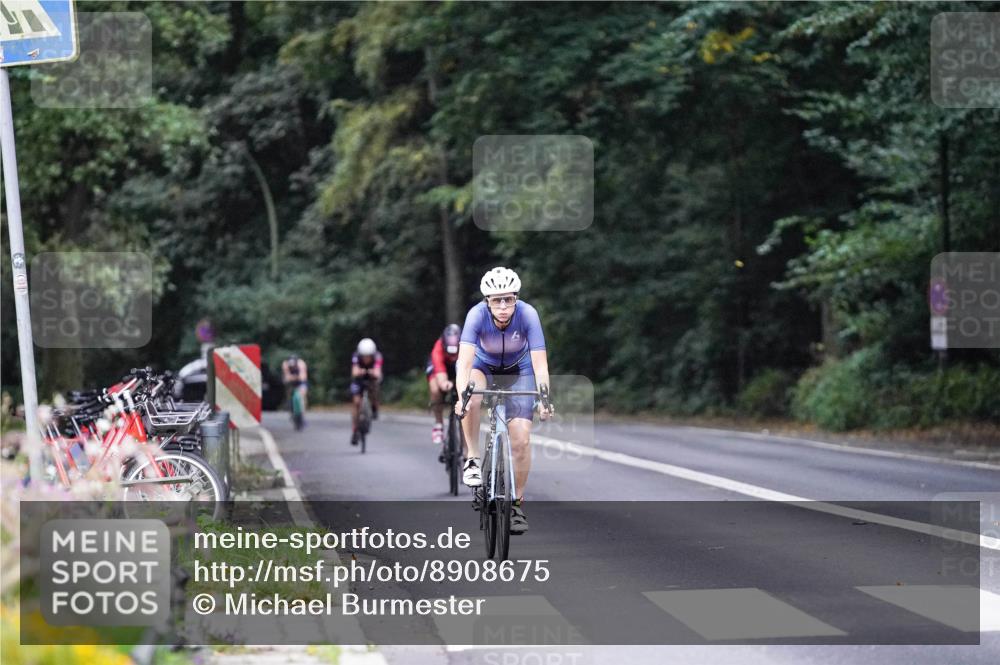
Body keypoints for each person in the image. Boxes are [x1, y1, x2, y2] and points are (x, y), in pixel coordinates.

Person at [454, 267, 554, 535]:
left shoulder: (528, 315)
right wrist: (461, 396)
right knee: (472, 398)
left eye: (508, 299)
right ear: (487, 301)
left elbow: (539, 365)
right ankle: (473, 458)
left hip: (518, 371)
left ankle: (516, 504)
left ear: (516, 298)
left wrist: (544, 398)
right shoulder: (475, 315)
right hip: (482, 366)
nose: (502, 306)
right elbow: (463, 363)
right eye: (496, 300)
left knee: (521, 440)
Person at [426, 323, 462, 458]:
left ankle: (466, 451)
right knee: (435, 389)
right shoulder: (438, 347)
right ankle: (438, 424)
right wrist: (445, 384)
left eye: (455, 353)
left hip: (460, 366)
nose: (452, 356)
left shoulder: (467, 346)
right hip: (441, 367)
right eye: (449, 352)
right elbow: (441, 376)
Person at [350, 337, 383, 445]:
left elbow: (377, 372)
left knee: (375, 390)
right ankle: (355, 429)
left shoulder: (377, 357)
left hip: (372, 379)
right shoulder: (356, 356)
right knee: (356, 402)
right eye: (364, 356)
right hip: (358, 380)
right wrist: (362, 371)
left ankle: (374, 408)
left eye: (368, 356)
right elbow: (354, 372)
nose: (366, 358)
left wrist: (371, 372)